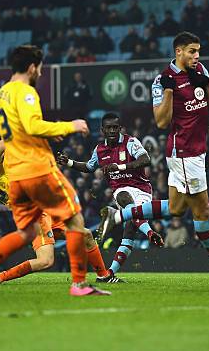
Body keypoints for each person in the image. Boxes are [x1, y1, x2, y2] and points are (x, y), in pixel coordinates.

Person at [0, 45, 108, 296]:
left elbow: (17, 135)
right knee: (75, 218)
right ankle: (79, 284)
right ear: (32, 67)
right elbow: (32, 125)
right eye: (40, 68)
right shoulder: (25, 92)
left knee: (27, 231)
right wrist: (69, 126)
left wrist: (43, 136)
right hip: (38, 168)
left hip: (17, 178)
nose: (40, 73)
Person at [98, 32, 209, 285]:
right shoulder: (162, 81)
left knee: (178, 208)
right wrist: (169, 90)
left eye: (198, 51)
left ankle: (120, 215)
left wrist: (205, 82)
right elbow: (161, 121)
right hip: (184, 153)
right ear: (178, 51)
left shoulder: (200, 70)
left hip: (197, 152)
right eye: (192, 51)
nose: (197, 56)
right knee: (203, 211)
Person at [57, 113, 165, 282]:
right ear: (102, 130)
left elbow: (146, 159)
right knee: (123, 198)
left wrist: (120, 166)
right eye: (109, 128)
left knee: (129, 232)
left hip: (142, 190)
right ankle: (148, 232)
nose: (113, 130)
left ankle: (109, 273)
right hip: (120, 189)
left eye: (115, 127)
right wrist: (69, 162)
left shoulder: (130, 142)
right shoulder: (99, 150)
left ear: (120, 128)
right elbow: (89, 167)